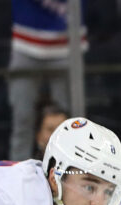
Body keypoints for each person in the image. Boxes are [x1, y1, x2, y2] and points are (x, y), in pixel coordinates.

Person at [8, 0, 85, 161]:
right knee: (22, 119)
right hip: (26, 41)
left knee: (70, 123)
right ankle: (17, 175)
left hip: (67, 43)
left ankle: (72, 169)